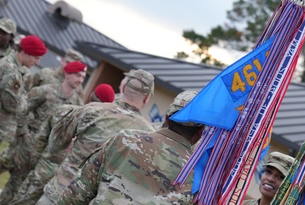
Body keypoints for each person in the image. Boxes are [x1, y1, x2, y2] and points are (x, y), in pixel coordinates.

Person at [56, 90, 204, 205]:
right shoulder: (199, 172)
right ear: (200, 133)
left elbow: (80, 190)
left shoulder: (126, 139)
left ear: (166, 118)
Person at [36, 69, 156, 205]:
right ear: (146, 98)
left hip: (59, 192)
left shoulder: (91, 109)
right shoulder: (148, 135)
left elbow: (56, 143)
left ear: (123, 88)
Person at [9, 85, 115, 205]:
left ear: (91, 95)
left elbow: (42, 137)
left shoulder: (66, 110)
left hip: (46, 169)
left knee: (23, 200)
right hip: (69, 183)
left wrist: (34, 161)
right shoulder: (110, 132)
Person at [0, 35, 47, 202]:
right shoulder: (11, 70)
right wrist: (24, 102)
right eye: (35, 57)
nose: (37, 61)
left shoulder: (15, 67)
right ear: (25, 53)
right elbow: (11, 103)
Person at [27, 61, 86, 133]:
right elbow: (23, 109)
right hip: (31, 136)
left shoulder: (78, 105)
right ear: (67, 74)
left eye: (83, 77)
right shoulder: (45, 91)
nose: (81, 80)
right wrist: (23, 132)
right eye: (78, 75)